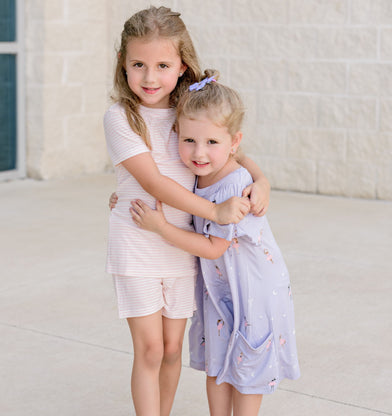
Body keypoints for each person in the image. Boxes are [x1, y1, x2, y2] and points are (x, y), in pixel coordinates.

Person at [104, 6, 270, 416]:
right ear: (123, 65)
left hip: (182, 246)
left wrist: (262, 181)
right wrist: (216, 212)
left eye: (162, 65)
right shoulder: (121, 117)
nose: (149, 77)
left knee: (174, 349)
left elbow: (232, 150)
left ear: (182, 67)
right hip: (139, 239)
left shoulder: (187, 110)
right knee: (150, 348)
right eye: (137, 64)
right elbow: (155, 183)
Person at [130, 70, 300, 416]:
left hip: (253, 289)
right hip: (221, 289)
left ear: (233, 142)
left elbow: (212, 247)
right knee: (218, 363)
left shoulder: (232, 188)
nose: (199, 153)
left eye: (211, 143)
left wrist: (160, 227)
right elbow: (240, 161)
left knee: (247, 368)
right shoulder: (201, 172)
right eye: (189, 140)